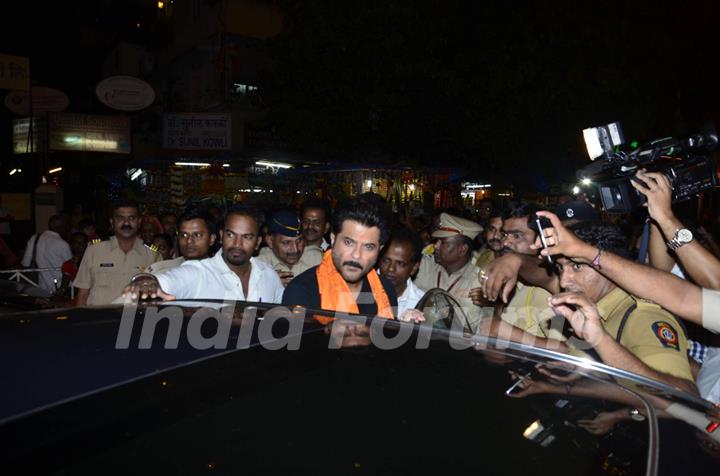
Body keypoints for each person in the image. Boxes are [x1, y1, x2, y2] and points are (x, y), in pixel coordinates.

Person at [122, 205, 284, 303]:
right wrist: (147, 281)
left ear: (257, 242)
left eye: (247, 237)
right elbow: (171, 280)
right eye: (231, 235)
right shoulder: (199, 273)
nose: (237, 244)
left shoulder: (268, 275)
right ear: (221, 235)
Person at [282, 194, 397, 323]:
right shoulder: (302, 291)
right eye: (348, 242)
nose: (356, 255)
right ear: (333, 239)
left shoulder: (385, 290)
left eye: (368, 247)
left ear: (379, 250)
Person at [74, 199, 161, 305]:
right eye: (120, 218)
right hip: (99, 319)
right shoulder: (94, 251)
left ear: (139, 222)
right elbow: (83, 293)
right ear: (112, 222)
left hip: (134, 319)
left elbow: (158, 296)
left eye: (131, 218)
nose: (126, 223)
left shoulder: (152, 255)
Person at [414, 212, 487, 329]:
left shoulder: (477, 280)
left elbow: (469, 328)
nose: (436, 246)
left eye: (443, 243)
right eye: (437, 241)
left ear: (462, 249)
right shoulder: (424, 266)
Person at [257, 210, 323, 287]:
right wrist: (269, 285)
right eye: (286, 242)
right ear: (270, 241)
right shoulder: (259, 266)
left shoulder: (317, 259)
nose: (295, 249)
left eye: (299, 240)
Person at [147, 208, 217, 274]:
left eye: (197, 235)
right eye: (184, 235)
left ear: (212, 239)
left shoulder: (221, 274)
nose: (189, 241)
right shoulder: (161, 271)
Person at [378, 227, 426, 318]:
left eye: (400, 264)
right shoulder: (359, 288)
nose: (391, 268)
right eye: (386, 260)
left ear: (414, 268)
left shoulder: (421, 303)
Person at [21, 214, 72, 294]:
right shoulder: (62, 244)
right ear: (62, 227)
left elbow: (25, 263)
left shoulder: (35, 238)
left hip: (39, 287)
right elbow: (70, 267)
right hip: (61, 288)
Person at [57, 231, 89, 301]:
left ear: (87, 244)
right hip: (82, 298)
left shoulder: (94, 260)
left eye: (82, 242)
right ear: (71, 245)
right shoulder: (68, 264)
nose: (80, 244)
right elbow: (64, 287)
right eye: (76, 242)